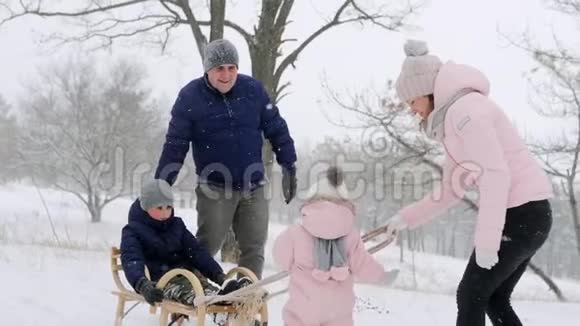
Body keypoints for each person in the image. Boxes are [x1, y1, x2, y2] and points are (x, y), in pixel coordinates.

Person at [384, 40, 554, 326]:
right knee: (492, 298)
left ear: (426, 91)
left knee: (471, 294)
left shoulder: (467, 113)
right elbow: (452, 188)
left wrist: (487, 242)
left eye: (411, 101)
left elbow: (496, 175)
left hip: (522, 214)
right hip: (528, 216)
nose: (411, 110)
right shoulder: (453, 120)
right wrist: (406, 218)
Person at [154, 39, 298, 279]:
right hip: (215, 188)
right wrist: (161, 184)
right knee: (205, 248)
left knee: (254, 248)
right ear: (207, 69)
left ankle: (245, 303)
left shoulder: (253, 91)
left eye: (232, 67)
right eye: (220, 68)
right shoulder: (190, 98)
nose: (226, 74)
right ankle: (190, 295)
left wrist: (289, 165)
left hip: (254, 187)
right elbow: (175, 145)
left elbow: (277, 129)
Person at [273, 166, 386, 326]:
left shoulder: (295, 234)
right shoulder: (351, 237)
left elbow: (280, 257)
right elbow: (362, 263)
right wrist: (381, 275)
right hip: (338, 311)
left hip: (304, 308)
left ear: (312, 201)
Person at [120, 179, 229, 307]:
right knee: (197, 297)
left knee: (209, 291)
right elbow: (132, 259)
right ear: (146, 207)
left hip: (189, 275)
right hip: (161, 281)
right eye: (159, 208)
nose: (164, 213)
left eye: (169, 207)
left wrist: (217, 274)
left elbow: (196, 251)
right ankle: (215, 306)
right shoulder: (133, 231)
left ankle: (232, 311)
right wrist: (142, 284)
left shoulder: (177, 226)